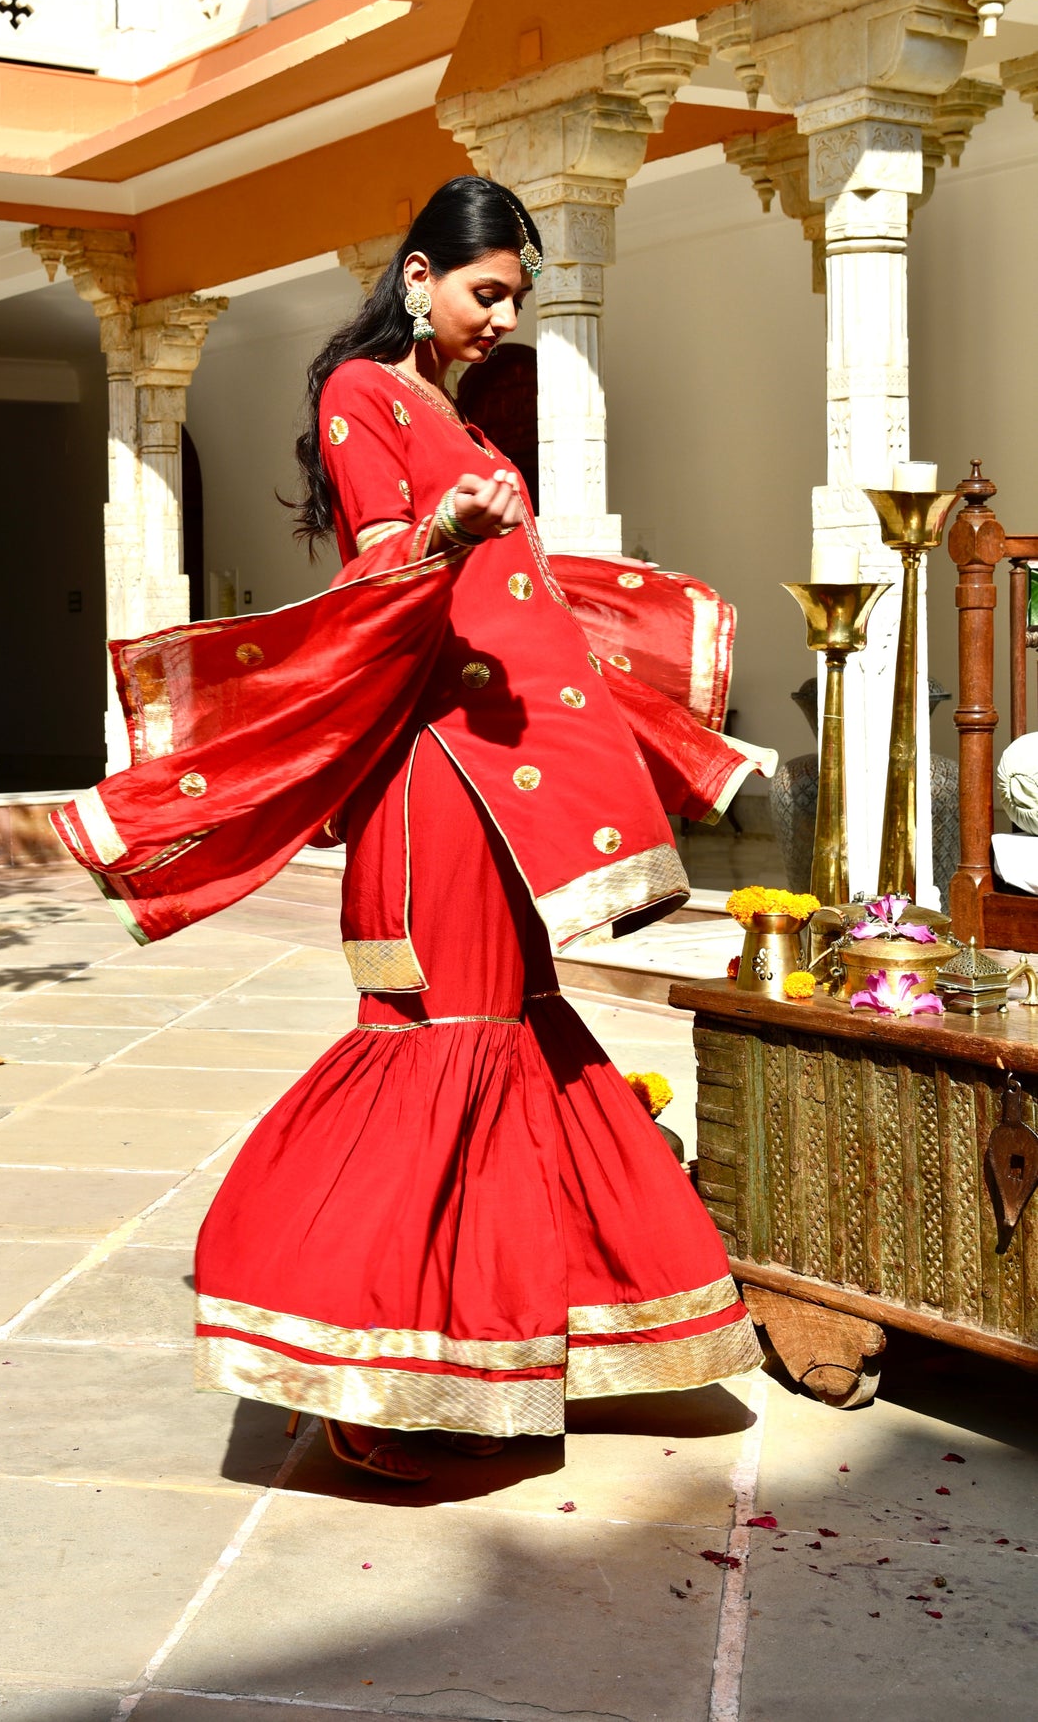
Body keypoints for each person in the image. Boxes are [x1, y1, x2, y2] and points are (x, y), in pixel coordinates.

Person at [54, 177, 764, 1482]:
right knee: (443, 1035)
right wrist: (444, 525)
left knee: (519, 1035)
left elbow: (521, 604)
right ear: (419, 273)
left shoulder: (460, 415)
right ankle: (370, 1367)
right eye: (485, 290)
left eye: (514, 298)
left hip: (501, 776)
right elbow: (378, 582)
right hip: (434, 774)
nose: (500, 317)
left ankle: (545, 1339)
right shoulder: (361, 396)